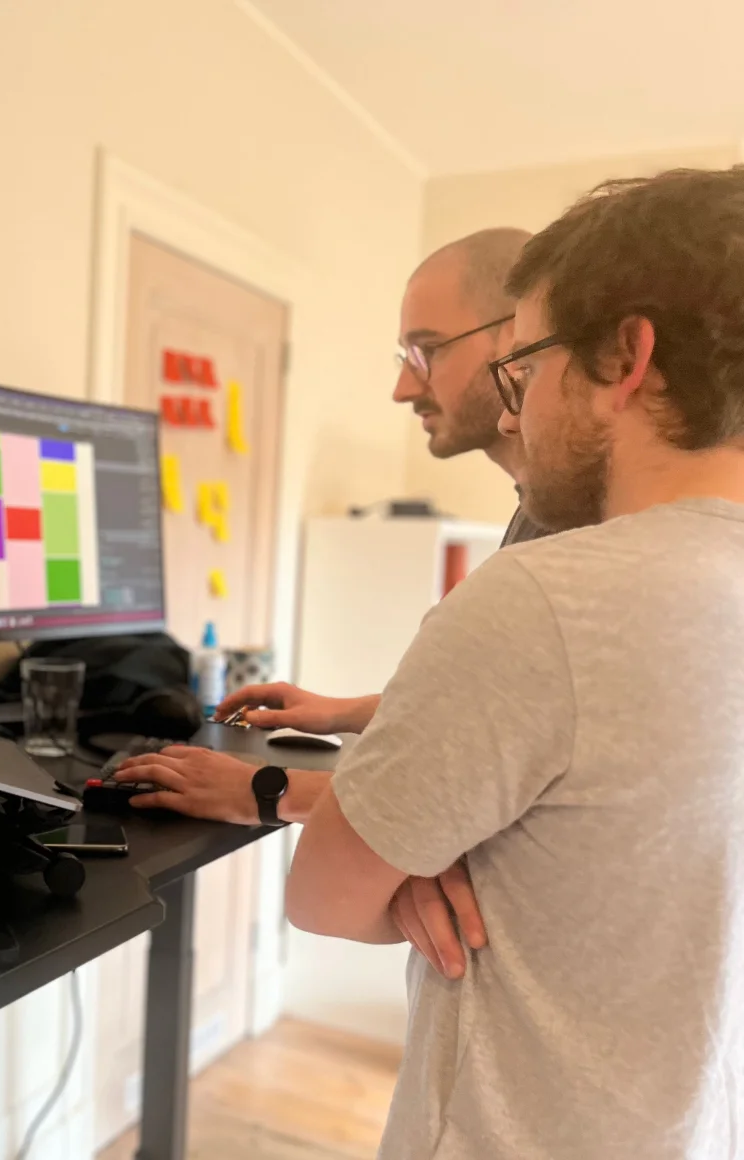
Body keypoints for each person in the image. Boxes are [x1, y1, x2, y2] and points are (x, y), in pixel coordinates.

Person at [287, 165, 744, 1159]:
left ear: (626, 355)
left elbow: (321, 895)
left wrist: (407, 867)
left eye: (528, 365)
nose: (516, 405)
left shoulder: (541, 597)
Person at [116, 228, 537, 979]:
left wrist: (267, 789)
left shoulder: (568, 548)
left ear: (519, 336)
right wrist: (345, 713)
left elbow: (468, 782)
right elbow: (510, 714)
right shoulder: (539, 514)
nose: (405, 388)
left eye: (425, 351)